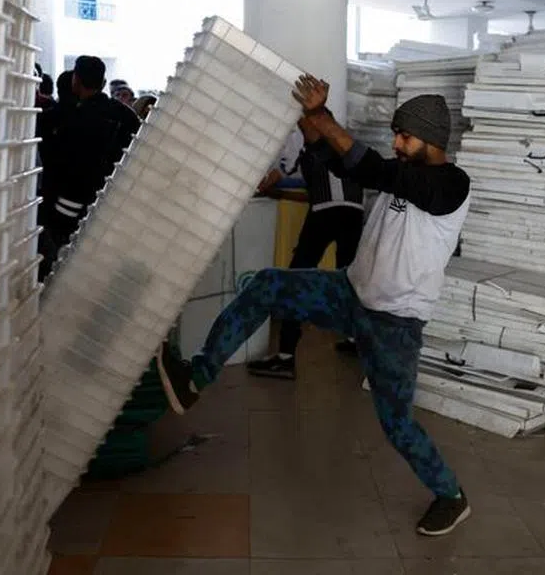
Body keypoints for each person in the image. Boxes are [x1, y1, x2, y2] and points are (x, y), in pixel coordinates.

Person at [155, 76, 473, 537]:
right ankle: (195, 379)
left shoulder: (452, 185)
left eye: (404, 136)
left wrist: (323, 117)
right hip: (349, 293)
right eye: (395, 135)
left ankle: (451, 496)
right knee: (267, 285)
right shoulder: (402, 172)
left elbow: (374, 170)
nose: (396, 144)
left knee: (397, 425)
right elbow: (343, 164)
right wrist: (312, 121)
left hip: (394, 323)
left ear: (431, 138)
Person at [247, 115, 365, 381]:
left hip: (325, 215)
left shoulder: (310, 140)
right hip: (353, 215)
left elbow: (284, 173)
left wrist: (263, 184)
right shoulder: (347, 145)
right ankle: (357, 341)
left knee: (297, 279)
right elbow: (319, 193)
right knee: (350, 281)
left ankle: (285, 357)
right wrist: (281, 194)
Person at [39, 56, 141, 273]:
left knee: (59, 262)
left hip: (65, 203)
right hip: (109, 206)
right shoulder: (126, 116)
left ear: (75, 80)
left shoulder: (67, 116)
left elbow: (51, 156)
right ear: (103, 83)